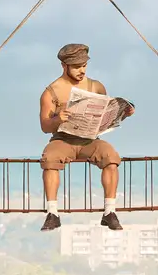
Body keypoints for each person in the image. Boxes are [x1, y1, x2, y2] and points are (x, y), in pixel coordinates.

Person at [38, 43, 135, 231]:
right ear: (64, 66)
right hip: (62, 140)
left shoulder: (96, 86)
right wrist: (58, 119)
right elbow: (44, 126)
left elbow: (106, 115)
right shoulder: (51, 92)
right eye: (76, 66)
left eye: (84, 65)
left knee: (111, 156)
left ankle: (109, 212)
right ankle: (52, 213)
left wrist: (123, 113)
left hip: (90, 139)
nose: (81, 70)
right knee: (49, 159)